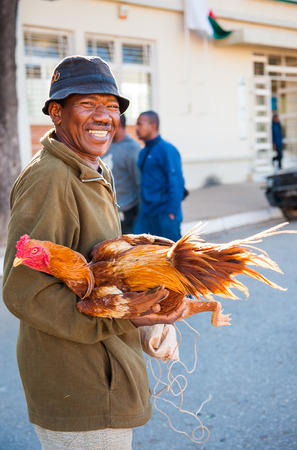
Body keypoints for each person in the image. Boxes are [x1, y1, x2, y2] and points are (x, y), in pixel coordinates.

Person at [2, 55, 184, 450]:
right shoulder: (51, 178)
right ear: (56, 112)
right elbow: (24, 291)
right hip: (81, 383)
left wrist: (142, 315)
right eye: (88, 104)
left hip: (103, 372)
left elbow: (100, 273)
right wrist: (127, 318)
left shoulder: (90, 168)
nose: (104, 116)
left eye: (113, 106)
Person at [133, 111, 185, 241]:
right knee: (137, 248)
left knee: (171, 256)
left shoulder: (167, 149)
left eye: (140, 124)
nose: (136, 128)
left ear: (153, 126)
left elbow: (177, 182)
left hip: (165, 213)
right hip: (146, 213)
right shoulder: (143, 152)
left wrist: (171, 212)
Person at [101, 114, 141, 233]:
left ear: (117, 124)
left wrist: (140, 211)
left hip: (126, 212)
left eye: (107, 125)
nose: (104, 128)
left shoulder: (132, 148)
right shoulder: (105, 145)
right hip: (106, 211)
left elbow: (139, 181)